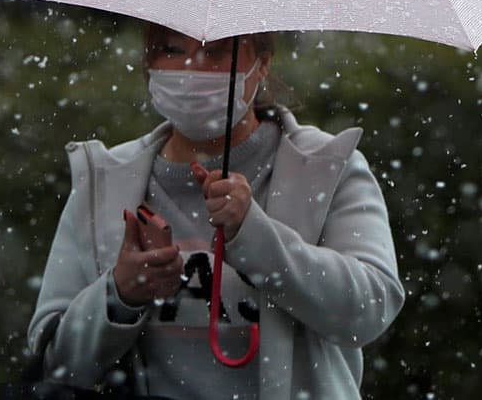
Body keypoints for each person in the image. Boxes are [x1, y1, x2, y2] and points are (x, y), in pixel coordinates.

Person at [26, 27, 403, 400]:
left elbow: (370, 309)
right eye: (171, 48)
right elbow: (55, 362)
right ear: (147, 64)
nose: (193, 66)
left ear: (263, 64)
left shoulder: (328, 166)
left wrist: (254, 235)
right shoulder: (104, 180)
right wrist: (119, 296)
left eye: (217, 51)